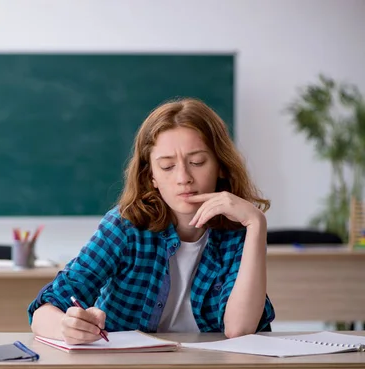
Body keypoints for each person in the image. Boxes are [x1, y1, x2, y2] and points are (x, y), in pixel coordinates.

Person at [27, 98, 275, 344]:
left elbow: (240, 329)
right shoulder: (124, 226)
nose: (183, 178)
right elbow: (43, 311)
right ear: (151, 176)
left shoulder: (238, 228)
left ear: (221, 166)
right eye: (167, 166)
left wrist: (256, 224)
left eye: (197, 162)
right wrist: (65, 327)